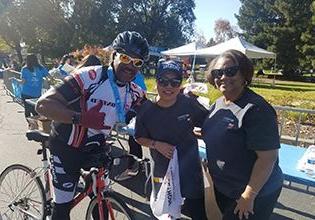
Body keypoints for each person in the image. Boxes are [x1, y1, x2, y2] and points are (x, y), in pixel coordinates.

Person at [35, 31, 149, 220]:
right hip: (65, 148)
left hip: (95, 149)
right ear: (113, 55)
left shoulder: (134, 91)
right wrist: (81, 119)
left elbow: (157, 113)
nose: (130, 65)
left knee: (99, 197)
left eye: (137, 62)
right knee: (62, 210)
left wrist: (180, 98)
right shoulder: (89, 77)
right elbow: (43, 105)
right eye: (125, 57)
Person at [202, 49, 283, 220]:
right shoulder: (219, 102)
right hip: (225, 186)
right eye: (218, 73)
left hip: (252, 192)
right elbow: (223, 132)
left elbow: (267, 158)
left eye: (230, 71)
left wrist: (249, 196)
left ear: (244, 73)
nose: (223, 77)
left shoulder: (257, 109)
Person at [135, 60, 209, 219]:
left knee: (198, 212)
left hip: (189, 171)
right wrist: (156, 144)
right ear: (156, 83)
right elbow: (139, 137)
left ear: (180, 85)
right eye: (163, 81)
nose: (169, 87)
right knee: (166, 214)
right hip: (162, 171)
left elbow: (209, 124)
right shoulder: (146, 110)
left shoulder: (189, 104)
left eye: (174, 82)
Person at [10, 54, 49, 118]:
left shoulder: (24, 69)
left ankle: (31, 125)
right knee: (36, 110)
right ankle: (36, 125)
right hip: (37, 93)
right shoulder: (41, 68)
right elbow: (50, 77)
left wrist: (15, 79)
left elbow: (22, 82)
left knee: (27, 110)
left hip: (26, 92)